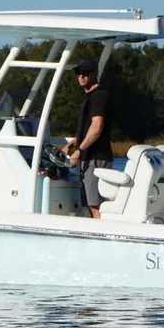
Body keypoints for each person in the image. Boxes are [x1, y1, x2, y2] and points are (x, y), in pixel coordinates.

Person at [62, 58, 113, 219]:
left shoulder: (99, 95)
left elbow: (97, 126)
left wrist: (79, 150)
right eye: (78, 73)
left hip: (96, 158)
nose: (81, 76)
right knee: (91, 204)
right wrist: (71, 144)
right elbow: (87, 128)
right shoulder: (88, 97)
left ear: (94, 73)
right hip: (89, 157)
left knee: (95, 205)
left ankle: (102, 232)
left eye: (85, 73)